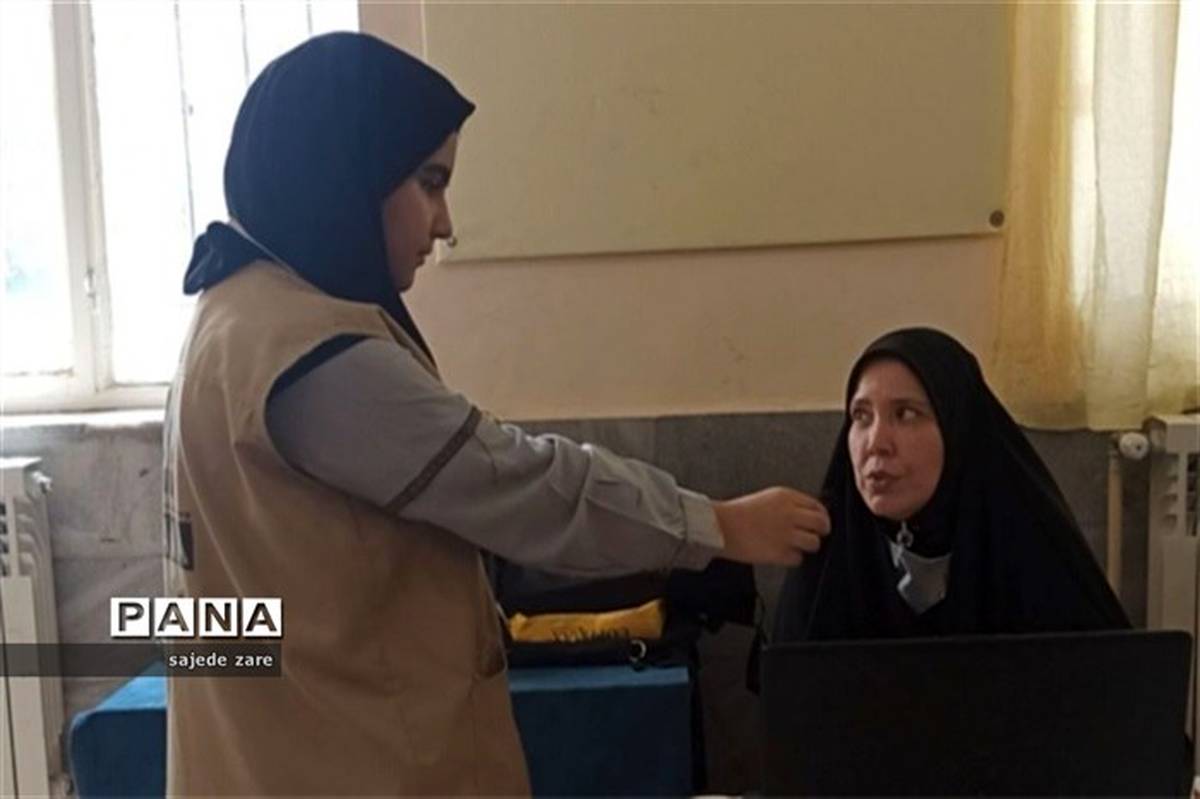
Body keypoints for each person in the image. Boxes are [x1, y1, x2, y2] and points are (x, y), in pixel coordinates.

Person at [162, 32, 830, 795]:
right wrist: (716, 525)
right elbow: (521, 486)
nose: (444, 223)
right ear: (344, 172)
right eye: (429, 182)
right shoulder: (311, 358)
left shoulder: (231, 319)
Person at [773, 327, 1129, 643]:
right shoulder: (827, 555)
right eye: (861, 416)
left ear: (958, 430)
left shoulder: (1031, 546)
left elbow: (1099, 682)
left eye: (906, 414)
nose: (876, 442)